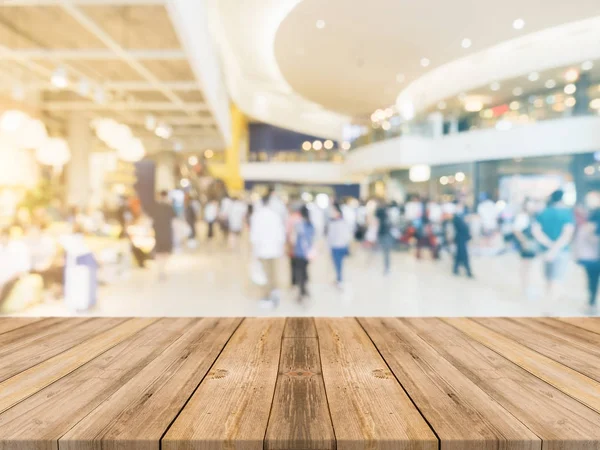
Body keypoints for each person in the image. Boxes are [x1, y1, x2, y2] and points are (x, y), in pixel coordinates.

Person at [532, 189, 575, 302]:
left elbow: (536, 231)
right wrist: (555, 248)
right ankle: (552, 304)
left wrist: (549, 246)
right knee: (557, 279)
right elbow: (567, 234)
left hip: (545, 250)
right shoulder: (567, 213)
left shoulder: (543, 212)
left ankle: (547, 300)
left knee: (548, 277)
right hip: (562, 250)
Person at [250, 195, 286, 308]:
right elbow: (281, 235)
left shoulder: (257, 216)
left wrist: (253, 251)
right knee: (273, 272)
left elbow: (254, 236)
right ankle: (274, 293)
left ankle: (267, 297)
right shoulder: (275, 216)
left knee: (264, 274)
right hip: (275, 250)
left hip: (262, 250)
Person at [574, 192, 600, 315]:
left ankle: (591, 304)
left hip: (595, 255)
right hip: (595, 255)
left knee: (592, 279)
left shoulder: (596, 213)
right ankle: (591, 304)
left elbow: (589, 233)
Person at [513, 199, 539, 297]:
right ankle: (525, 288)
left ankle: (526, 287)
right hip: (527, 244)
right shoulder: (522, 217)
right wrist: (524, 241)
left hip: (530, 243)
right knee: (525, 266)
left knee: (528, 266)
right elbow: (516, 230)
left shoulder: (531, 216)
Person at [290, 205, 316, 301]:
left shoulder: (298, 224)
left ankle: (301, 292)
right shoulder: (311, 224)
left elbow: (293, 239)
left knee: (299, 272)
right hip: (308, 253)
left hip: (299, 252)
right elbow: (313, 238)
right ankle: (305, 289)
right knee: (305, 270)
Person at [151, 190, 176, 281]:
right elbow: (174, 217)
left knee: (159, 250)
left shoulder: (156, 207)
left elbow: (152, 219)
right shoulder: (168, 206)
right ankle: (162, 269)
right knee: (165, 250)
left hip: (159, 231)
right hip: (166, 231)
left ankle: (160, 269)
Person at [328, 203, 352, 288]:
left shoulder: (342, 222)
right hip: (334, 246)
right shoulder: (332, 222)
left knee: (339, 264)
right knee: (337, 264)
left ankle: (340, 280)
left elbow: (347, 235)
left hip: (339, 246)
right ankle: (338, 279)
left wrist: (346, 244)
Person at [451, 201, 473, 277]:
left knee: (459, 255)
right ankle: (468, 271)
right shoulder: (456, 218)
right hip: (460, 238)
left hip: (463, 238)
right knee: (463, 254)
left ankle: (456, 269)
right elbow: (461, 228)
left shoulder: (463, 216)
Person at [376, 201, 394, 275]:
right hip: (384, 233)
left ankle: (386, 268)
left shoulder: (382, 214)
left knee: (385, 251)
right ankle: (386, 268)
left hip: (384, 234)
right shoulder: (384, 214)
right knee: (385, 252)